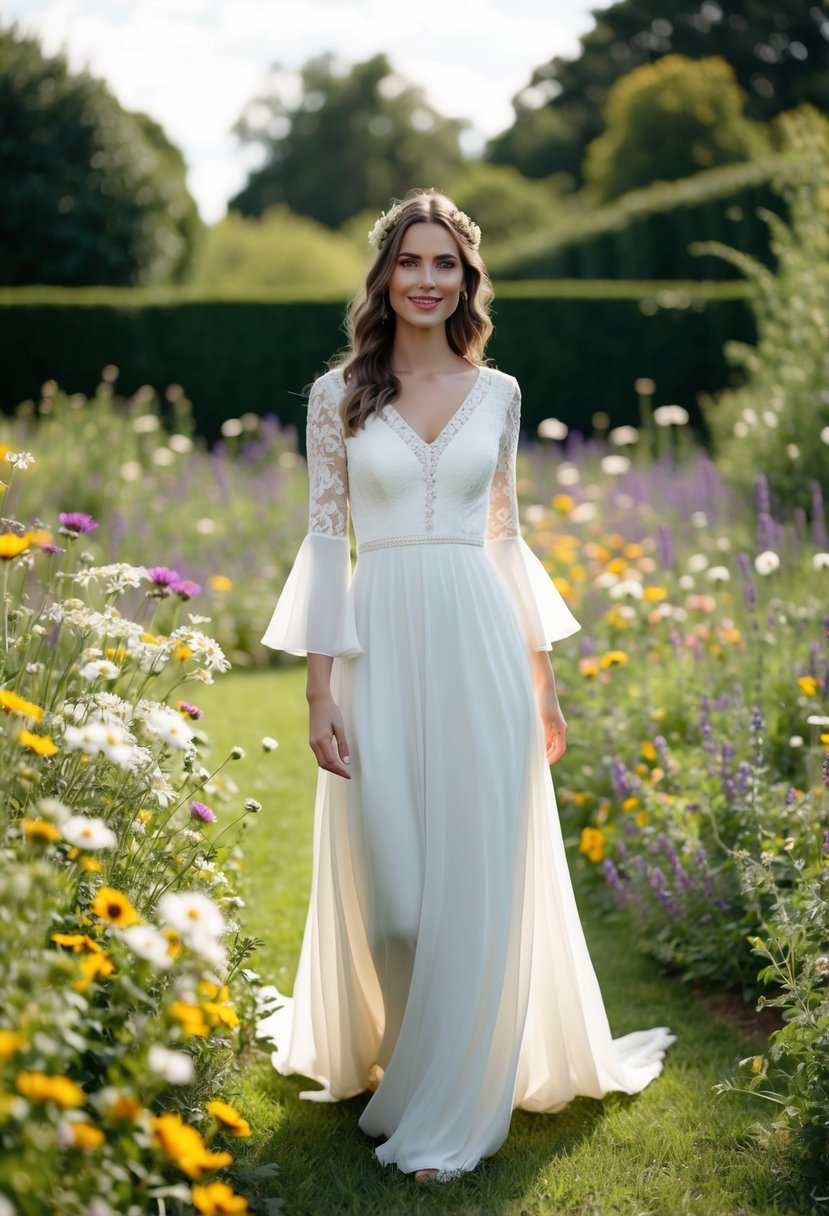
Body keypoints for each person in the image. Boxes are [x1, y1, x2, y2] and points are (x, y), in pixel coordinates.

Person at [256, 188, 675, 1183]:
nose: (428, 280)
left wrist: (544, 682)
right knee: (397, 897)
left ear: (466, 279)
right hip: (380, 647)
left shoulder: (499, 392)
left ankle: (450, 1113)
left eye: (446, 264)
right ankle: (407, 1050)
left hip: (485, 647)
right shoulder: (336, 396)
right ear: (385, 276)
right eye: (411, 262)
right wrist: (317, 692)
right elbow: (323, 541)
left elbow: (506, 537)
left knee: (475, 885)